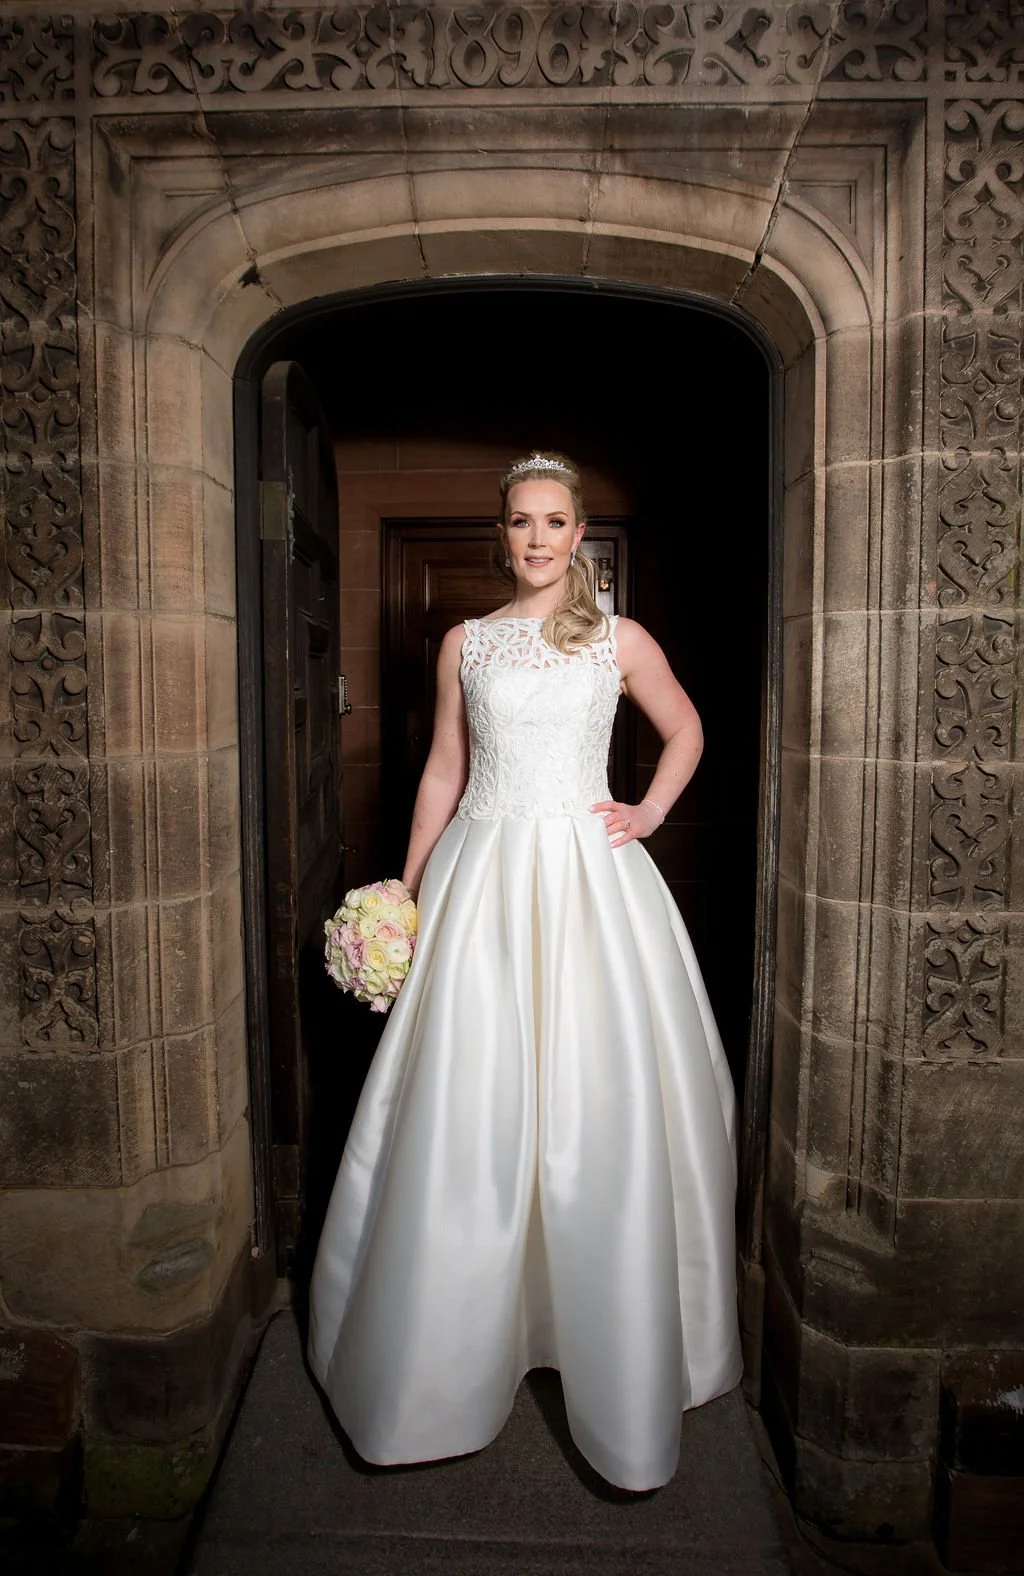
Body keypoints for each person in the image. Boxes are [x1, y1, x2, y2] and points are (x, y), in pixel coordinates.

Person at [308, 451, 743, 1492]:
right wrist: (407, 895)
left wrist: (646, 812)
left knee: (595, 1103)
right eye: (519, 522)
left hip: (588, 884)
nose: (537, 538)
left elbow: (685, 728)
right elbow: (443, 772)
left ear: (577, 535)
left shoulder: (617, 638)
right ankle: (449, 1349)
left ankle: (599, 1333)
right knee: (474, 1103)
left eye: (554, 521)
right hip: (483, 877)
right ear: (499, 536)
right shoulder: (465, 642)